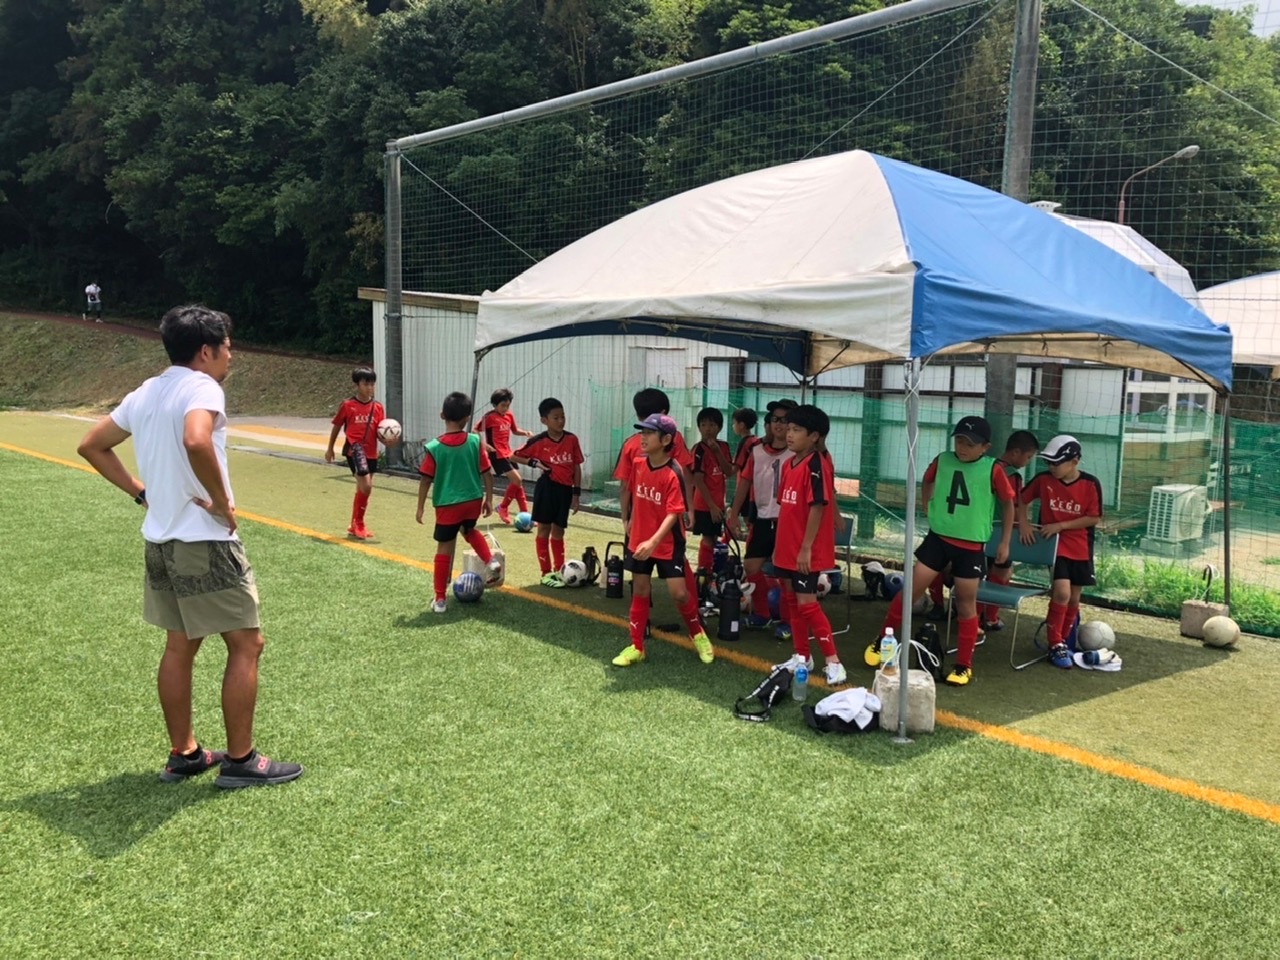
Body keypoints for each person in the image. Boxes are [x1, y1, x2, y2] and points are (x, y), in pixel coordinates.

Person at [76, 304, 302, 789]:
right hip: (203, 540)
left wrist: (141, 493)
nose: (231, 356)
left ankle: (185, 754)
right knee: (247, 643)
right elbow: (196, 440)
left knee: (180, 646)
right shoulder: (202, 387)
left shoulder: (146, 391)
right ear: (206, 351)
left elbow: (92, 444)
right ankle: (241, 762)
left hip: (160, 541)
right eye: (227, 347)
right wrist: (222, 502)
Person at [868, 415, 1016, 687]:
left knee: (965, 603)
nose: (963, 447)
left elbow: (1008, 504)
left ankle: (963, 665)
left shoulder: (993, 469)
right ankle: (882, 641)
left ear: (985, 447)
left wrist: (1005, 542)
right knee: (910, 591)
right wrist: (927, 504)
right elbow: (927, 480)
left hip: (971, 546)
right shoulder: (943, 460)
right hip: (938, 539)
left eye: (970, 443)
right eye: (959, 440)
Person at [611, 413, 715, 667]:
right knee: (640, 590)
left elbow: (673, 513)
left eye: (649, 433)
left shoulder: (673, 472)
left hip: (667, 543)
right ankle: (637, 646)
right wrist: (628, 520)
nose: (643, 437)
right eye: (642, 432)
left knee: (679, 594)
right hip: (639, 540)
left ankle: (697, 634)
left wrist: (653, 542)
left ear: (666, 439)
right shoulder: (638, 464)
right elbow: (632, 494)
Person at [922, 429, 1040, 626]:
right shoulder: (1008, 474)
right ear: (1016, 453)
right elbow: (1013, 505)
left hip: (961, 526)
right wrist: (1023, 525)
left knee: (938, 565)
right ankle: (988, 618)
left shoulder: (978, 464)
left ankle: (939, 606)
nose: (1028, 462)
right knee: (1001, 572)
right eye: (1028, 457)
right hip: (992, 531)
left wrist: (927, 504)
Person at [772, 404, 848, 685]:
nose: (789, 434)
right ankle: (802, 656)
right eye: (788, 429)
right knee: (792, 601)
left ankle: (833, 662)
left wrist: (805, 547)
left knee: (807, 605)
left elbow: (817, 506)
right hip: (786, 548)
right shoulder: (789, 463)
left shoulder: (816, 464)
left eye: (796, 430)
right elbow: (787, 507)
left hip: (806, 551)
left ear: (814, 436)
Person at [1019, 435, 1104, 669]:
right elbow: (1021, 499)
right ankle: (1055, 643)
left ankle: (1064, 640)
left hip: (1081, 547)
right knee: (1062, 593)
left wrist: (1061, 525)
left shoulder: (1090, 484)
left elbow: (1094, 517)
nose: (1051, 467)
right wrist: (1024, 524)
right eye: (1049, 462)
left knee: (1074, 598)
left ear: (1075, 461)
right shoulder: (1043, 480)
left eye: (1056, 462)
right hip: (1055, 546)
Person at [416, 391, 502, 613]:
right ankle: (490, 560)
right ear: (467, 418)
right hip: (472, 499)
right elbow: (487, 473)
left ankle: (440, 599)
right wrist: (489, 499)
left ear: (442, 415)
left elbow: (425, 479)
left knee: (444, 547)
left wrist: (420, 507)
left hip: (448, 504)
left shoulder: (435, 447)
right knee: (469, 530)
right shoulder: (475, 441)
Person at [725, 399, 796, 640]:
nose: (779, 424)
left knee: (785, 574)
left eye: (785, 420)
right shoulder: (756, 451)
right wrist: (734, 513)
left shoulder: (799, 453)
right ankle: (763, 614)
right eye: (775, 419)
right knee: (751, 567)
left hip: (788, 521)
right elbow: (744, 482)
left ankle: (787, 621)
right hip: (763, 518)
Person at [512, 397, 585, 586]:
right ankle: (545, 572)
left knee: (559, 530)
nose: (561, 421)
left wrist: (576, 494)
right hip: (546, 488)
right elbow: (513, 456)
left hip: (565, 490)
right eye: (556, 418)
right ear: (544, 420)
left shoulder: (571, 439)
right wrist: (533, 462)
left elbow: (576, 466)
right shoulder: (538, 441)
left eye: (563, 417)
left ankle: (560, 570)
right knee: (544, 528)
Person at [324, 366, 387, 540]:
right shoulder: (348, 405)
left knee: (362, 488)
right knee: (366, 486)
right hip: (355, 450)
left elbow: (381, 431)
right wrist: (330, 448)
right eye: (366, 384)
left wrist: (388, 440)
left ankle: (354, 524)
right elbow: (337, 426)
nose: (369, 387)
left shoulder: (378, 407)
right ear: (356, 385)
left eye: (372, 384)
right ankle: (359, 523)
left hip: (371, 452)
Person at [475, 387, 533, 524]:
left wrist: (525, 433)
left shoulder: (509, 415)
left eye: (507, 405)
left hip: (508, 453)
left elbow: (515, 430)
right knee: (517, 480)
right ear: (495, 405)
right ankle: (503, 507)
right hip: (497, 454)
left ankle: (525, 514)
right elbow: (475, 430)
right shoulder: (489, 417)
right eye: (502, 405)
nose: (505, 408)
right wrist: (484, 445)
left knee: (518, 483)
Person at [689, 407, 734, 575]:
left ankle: (709, 571)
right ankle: (703, 572)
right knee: (708, 538)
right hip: (704, 504)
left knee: (713, 538)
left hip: (718, 502)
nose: (708, 429)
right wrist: (712, 506)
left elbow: (728, 471)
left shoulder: (723, 446)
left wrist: (717, 452)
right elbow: (698, 480)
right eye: (703, 425)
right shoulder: (698, 449)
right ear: (699, 428)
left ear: (719, 427)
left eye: (712, 425)